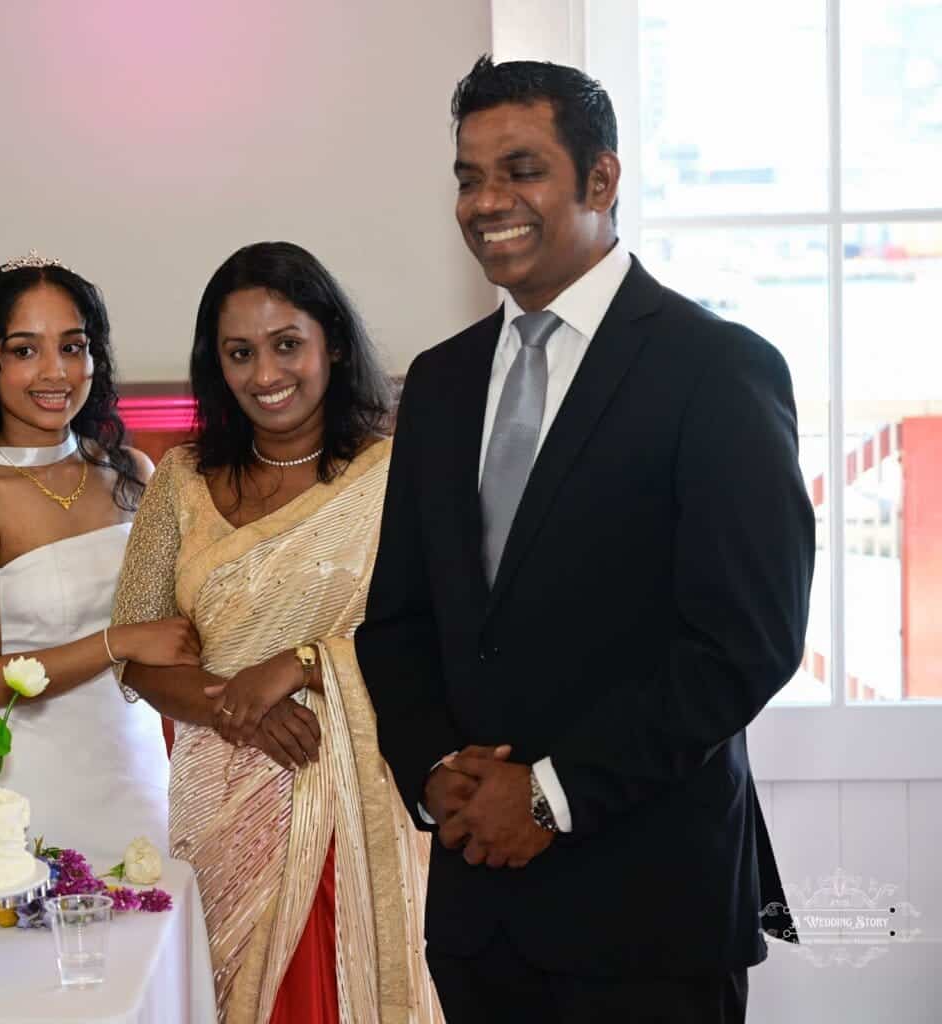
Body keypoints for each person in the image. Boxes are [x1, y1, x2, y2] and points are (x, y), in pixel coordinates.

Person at [356, 56, 814, 1023]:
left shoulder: (717, 370)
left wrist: (549, 795)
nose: (488, 201)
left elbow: (744, 643)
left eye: (520, 169)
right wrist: (441, 777)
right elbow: (397, 619)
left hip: (649, 905)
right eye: (469, 177)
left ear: (601, 181)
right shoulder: (438, 384)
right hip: (479, 910)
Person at [112, 242, 439, 1023]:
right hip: (217, 790)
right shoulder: (183, 480)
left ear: (330, 342)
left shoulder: (396, 476)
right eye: (240, 353)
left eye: (287, 344)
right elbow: (135, 649)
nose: (266, 374)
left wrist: (301, 663)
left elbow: (434, 635)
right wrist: (242, 703)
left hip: (350, 778)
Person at [0, 253, 200, 861]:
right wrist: (117, 643)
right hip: (30, 776)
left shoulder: (129, 472)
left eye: (73, 347)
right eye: (25, 350)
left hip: (133, 763)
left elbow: (176, 628)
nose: (55, 371)